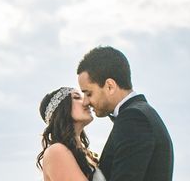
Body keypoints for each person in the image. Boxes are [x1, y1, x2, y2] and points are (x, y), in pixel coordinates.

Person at [77, 46, 174, 181]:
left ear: (110, 86)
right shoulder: (142, 113)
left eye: (89, 93)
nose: (85, 102)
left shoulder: (134, 119)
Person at [36, 87, 106, 181]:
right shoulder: (56, 151)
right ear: (62, 108)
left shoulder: (87, 154)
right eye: (77, 98)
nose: (87, 102)